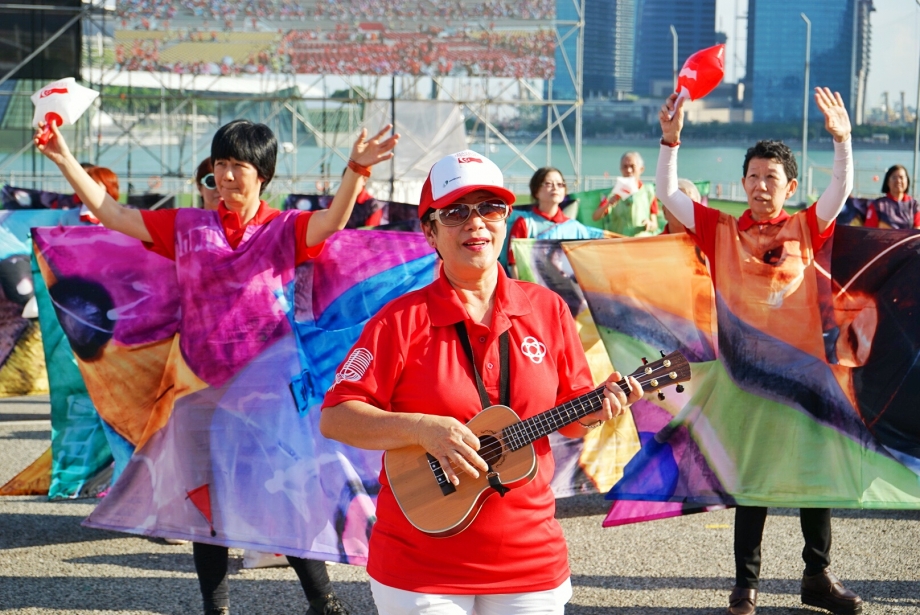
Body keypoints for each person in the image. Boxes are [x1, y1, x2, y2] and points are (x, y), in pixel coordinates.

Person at [35, 118, 398, 615]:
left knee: (285, 501)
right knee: (206, 507)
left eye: (238, 166)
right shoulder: (187, 226)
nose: (226, 176)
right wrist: (62, 157)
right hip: (199, 390)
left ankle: (323, 601)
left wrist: (356, 168)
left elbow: (333, 222)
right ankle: (217, 609)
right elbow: (112, 213)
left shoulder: (285, 229)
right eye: (220, 164)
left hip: (270, 392)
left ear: (262, 174)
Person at [320, 150, 643, 615]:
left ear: (506, 219)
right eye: (455, 212)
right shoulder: (399, 321)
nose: (476, 223)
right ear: (429, 230)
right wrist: (421, 429)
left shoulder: (548, 309)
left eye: (490, 208)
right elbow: (336, 417)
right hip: (418, 564)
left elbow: (572, 417)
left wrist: (600, 409)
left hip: (530, 558)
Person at [655, 87, 862, 615]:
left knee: (815, 481)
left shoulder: (806, 226)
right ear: (742, 183)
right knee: (751, 482)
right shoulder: (720, 229)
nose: (760, 185)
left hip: (804, 375)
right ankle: (745, 586)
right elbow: (668, 194)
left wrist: (842, 140)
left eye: (771, 177)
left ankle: (817, 576)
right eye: (752, 176)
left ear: (789, 186)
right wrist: (670, 142)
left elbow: (840, 189)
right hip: (745, 378)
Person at [503, 166, 602, 277]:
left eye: (560, 184)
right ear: (536, 191)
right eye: (548, 184)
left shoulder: (574, 227)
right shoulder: (525, 223)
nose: (555, 188)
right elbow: (514, 264)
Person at [592, 151, 659, 236]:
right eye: (625, 167)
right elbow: (595, 217)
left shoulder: (648, 192)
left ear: (641, 169)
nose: (628, 170)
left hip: (641, 239)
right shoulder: (613, 193)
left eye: (632, 166)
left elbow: (654, 224)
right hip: (619, 239)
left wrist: (649, 224)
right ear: (621, 169)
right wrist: (608, 204)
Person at [843, 164, 920, 229]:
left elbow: (917, 231)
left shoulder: (914, 205)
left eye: (901, 177)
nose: (898, 181)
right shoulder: (878, 205)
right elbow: (869, 231)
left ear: (907, 181)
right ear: (887, 182)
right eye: (894, 177)